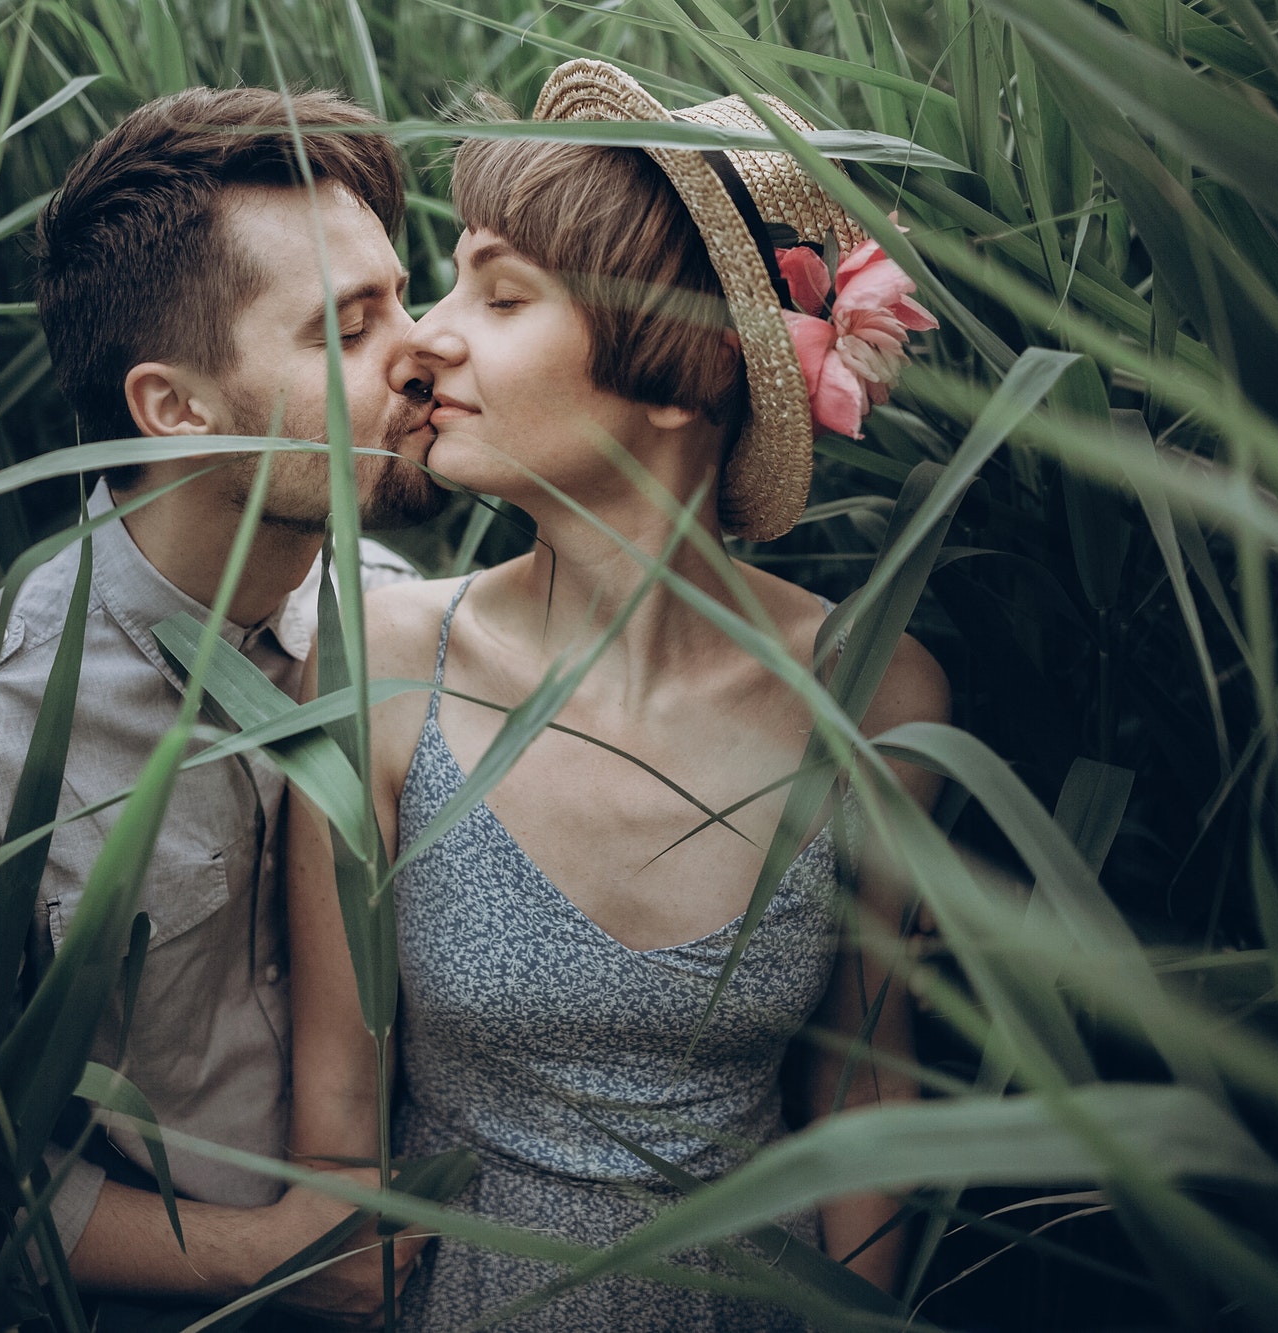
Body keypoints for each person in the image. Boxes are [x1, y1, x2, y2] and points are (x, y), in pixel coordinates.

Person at [286, 60, 948, 1330]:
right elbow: (336, 1147)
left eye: (499, 293)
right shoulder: (374, 664)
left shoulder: (873, 699)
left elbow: (867, 1113)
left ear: (674, 371)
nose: (427, 335)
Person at [0, 87, 446, 1324]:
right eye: (347, 328)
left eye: (403, 300)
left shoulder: (400, 619)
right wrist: (260, 1252)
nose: (422, 354)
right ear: (174, 407)